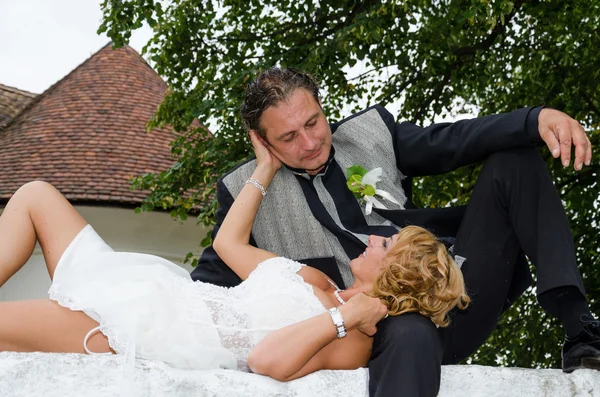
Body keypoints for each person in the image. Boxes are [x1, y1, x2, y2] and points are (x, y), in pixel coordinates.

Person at [192, 67, 600, 396]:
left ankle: (579, 328)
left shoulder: (372, 134)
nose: (311, 142)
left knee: (516, 161)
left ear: (322, 107)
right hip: (384, 325)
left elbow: (456, 139)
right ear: (261, 141)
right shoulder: (246, 194)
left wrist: (537, 119)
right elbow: (204, 286)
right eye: (289, 136)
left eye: (313, 123)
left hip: (456, 290)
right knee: (410, 336)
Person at [0, 144, 467, 387]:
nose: (373, 239)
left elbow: (266, 361)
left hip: (150, 329)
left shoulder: (354, 342)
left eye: (385, 246)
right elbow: (228, 243)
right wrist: (264, 168)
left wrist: (346, 316)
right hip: (161, 291)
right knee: (36, 195)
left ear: (395, 277)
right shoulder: (318, 279)